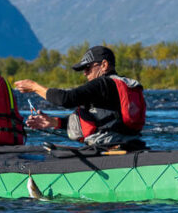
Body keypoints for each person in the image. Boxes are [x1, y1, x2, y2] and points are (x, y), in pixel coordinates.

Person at [14, 45, 146, 148]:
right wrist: (54, 122)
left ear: (104, 65)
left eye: (87, 68)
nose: (85, 73)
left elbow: (65, 99)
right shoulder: (119, 84)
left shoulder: (102, 83)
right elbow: (100, 120)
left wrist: (34, 87)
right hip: (131, 143)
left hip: (107, 147)